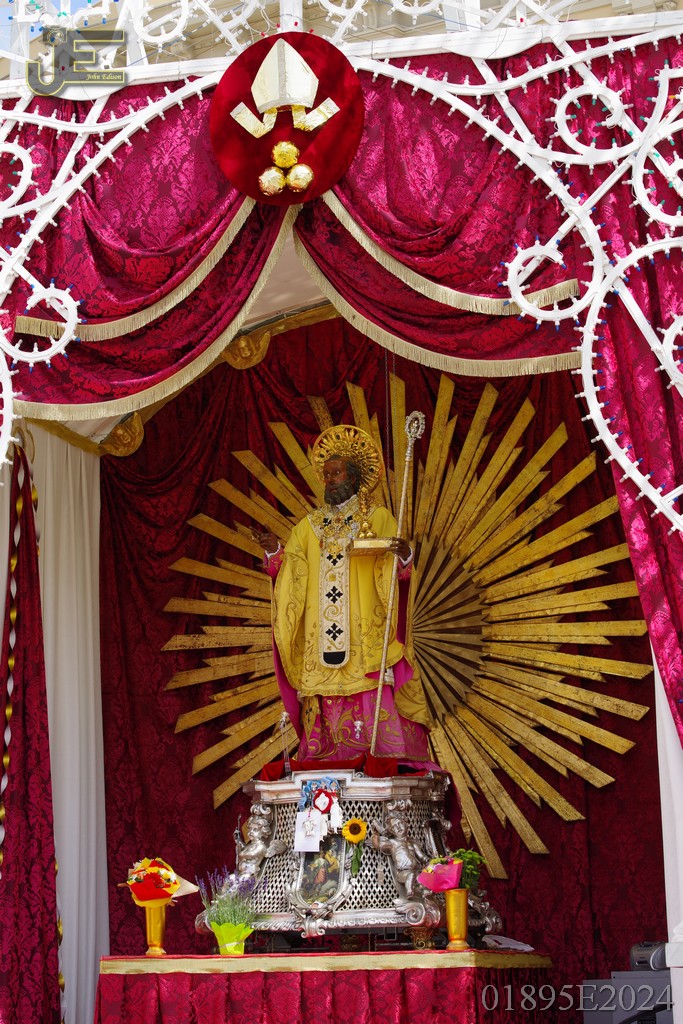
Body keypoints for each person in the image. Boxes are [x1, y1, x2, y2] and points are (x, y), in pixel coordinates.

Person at [256, 424, 431, 763]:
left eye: (335, 473)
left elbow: (393, 570)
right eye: (326, 475)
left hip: (364, 632)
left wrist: (403, 557)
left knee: (369, 687)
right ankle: (327, 755)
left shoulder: (377, 518)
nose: (329, 480)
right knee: (324, 699)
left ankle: (382, 756)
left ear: (354, 477)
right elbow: (291, 569)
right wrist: (275, 550)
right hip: (319, 636)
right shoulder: (308, 526)